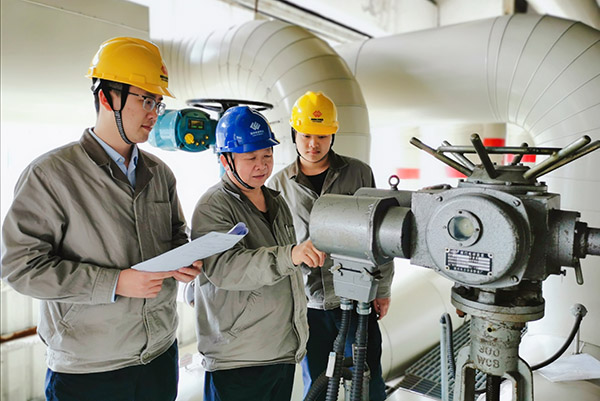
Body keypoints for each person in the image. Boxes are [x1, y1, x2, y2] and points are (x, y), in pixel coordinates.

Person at [1, 37, 202, 401]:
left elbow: (175, 234)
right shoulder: (51, 175)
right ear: (108, 98)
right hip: (90, 369)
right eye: (146, 100)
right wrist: (114, 283)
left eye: (157, 102)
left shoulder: (160, 173)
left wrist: (182, 259)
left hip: (159, 354)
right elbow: (20, 268)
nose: (154, 113)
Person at [191, 106, 326, 401]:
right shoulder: (213, 206)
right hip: (239, 360)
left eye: (267, 155)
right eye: (250, 157)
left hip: (281, 350)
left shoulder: (275, 200)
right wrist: (290, 255)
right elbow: (226, 268)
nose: (261, 165)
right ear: (226, 160)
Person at [268, 91, 394, 401]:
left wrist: (383, 288)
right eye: (306, 135)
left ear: (332, 135)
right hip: (307, 304)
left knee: (367, 380)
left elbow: (380, 234)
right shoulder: (277, 185)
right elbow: (277, 249)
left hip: (356, 297)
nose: (313, 144)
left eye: (322, 136)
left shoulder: (358, 173)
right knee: (317, 384)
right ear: (294, 135)